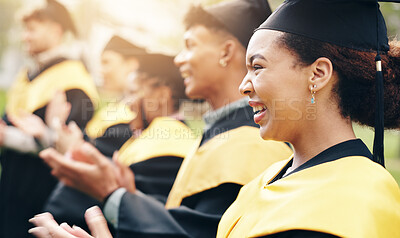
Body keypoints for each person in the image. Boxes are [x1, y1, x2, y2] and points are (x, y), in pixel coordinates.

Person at [30, 0, 292, 237]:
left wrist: (114, 194)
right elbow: (185, 216)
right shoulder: (220, 133)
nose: (179, 60)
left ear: (226, 53)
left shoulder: (253, 142)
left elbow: (205, 231)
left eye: (190, 45)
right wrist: (131, 196)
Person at [216, 0, 400, 237]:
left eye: (258, 66)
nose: (243, 86)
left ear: (318, 74)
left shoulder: (353, 198)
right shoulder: (266, 178)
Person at [41, 53, 198, 232]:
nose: (128, 104)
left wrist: (72, 150)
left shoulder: (170, 143)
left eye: (134, 92)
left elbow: (135, 209)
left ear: (162, 95)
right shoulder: (152, 135)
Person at [0, 0, 98, 237]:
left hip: (43, 197)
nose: (25, 36)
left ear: (55, 30)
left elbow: (69, 146)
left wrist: (8, 137)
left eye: (32, 29)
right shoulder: (28, 75)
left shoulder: (74, 81)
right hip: (11, 187)